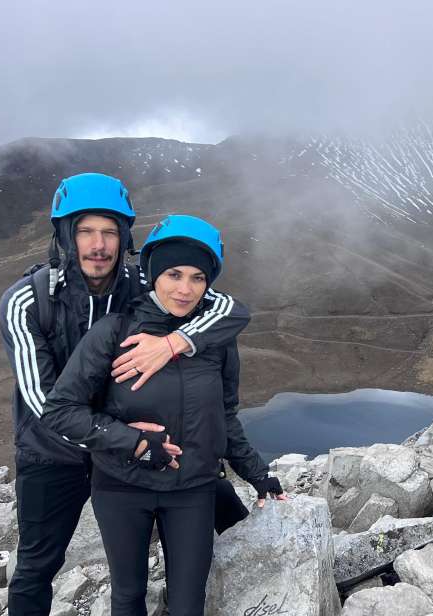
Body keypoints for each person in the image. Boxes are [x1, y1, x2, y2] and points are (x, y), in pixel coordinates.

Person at [0, 174, 251, 616]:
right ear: (64, 235)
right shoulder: (27, 300)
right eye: (85, 231)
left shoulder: (140, 283)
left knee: (217, 509)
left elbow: (230, 310)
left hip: (136, 454)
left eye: (110, 232)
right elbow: (43, 403)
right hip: (55, 454)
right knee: (38, 565)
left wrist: (175, 342)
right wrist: (120, 439)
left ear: (125, 237)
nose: (99, 244)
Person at [41, 214, 286, 616]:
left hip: (192, 489)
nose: (185, 289)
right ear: (153, 274)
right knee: (128, 597)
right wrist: (133, 442)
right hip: (121, 487)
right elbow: (61, 411)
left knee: (189, 604)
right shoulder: (113, 332)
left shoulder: (215, 341)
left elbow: (223, 416)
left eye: (197, 278)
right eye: (174, 274)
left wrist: (258, 473)